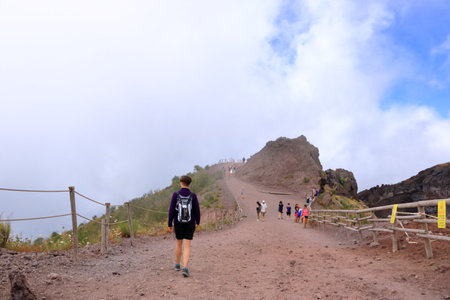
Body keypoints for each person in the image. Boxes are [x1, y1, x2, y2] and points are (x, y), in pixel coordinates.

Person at [168, 175, 200, 277]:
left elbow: (171, 210)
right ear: (189, 184)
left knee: (178, 244)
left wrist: (169, 223)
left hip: (178, 222)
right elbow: (197, 210)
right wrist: (197, 222)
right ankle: (185, 267)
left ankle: (177, 265)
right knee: (187, 246)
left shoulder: (175, 194)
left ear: (181, 183)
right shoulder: (193, 195)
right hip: (190, 222)